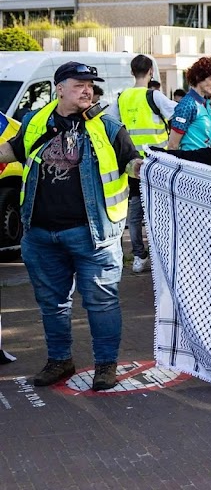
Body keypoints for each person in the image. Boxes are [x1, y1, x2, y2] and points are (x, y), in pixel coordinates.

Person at [0, 62, 143, 391]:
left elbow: (131, 163)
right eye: (79, 84)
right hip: (39, 234)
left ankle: (106, 366)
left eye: (90, 84)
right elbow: (15, 150)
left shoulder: (108, 126)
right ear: (59, 87)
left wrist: (148, 168)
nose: (87, 90)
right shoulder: (36, 121)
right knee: (52, 303)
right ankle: (60, 360)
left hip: (93, 235)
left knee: (101, 302)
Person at [111, 54, 176, 274]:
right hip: (158, 163)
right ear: (151, 72)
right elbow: (178, 115)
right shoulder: (154, 96)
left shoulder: (121, 98)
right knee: (158, 213)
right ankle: (160, 256)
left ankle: (139, 256)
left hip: (132, 164)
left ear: (132, 72)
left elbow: (109, 124)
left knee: (135, 213)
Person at [168, 57, 211, 152]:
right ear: (199, 77)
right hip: (190, 163)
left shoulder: (206, 104)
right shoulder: (187, 105)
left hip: (204, 162)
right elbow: (173, 146)